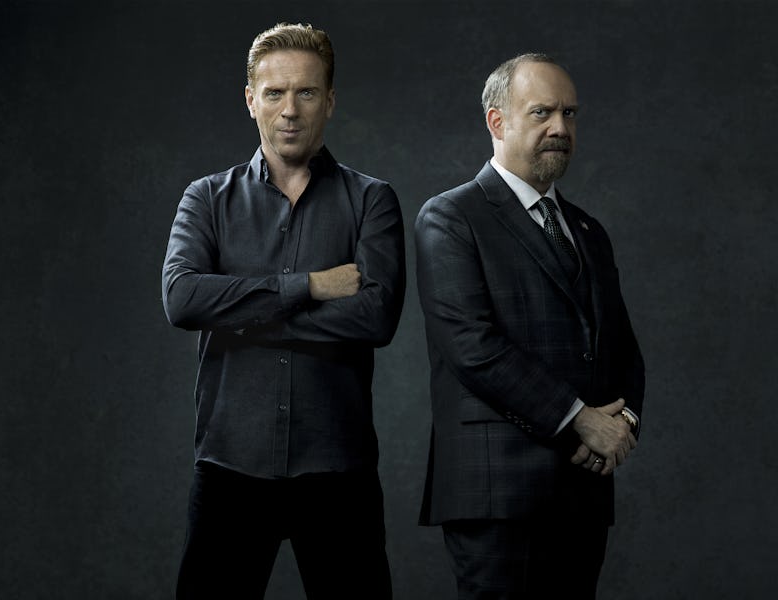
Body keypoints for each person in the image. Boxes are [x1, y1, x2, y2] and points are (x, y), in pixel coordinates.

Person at [161, 23, 404, 599]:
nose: (290, 110)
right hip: (230, 467)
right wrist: (310, 286)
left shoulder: (371, 200)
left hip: (339, 470)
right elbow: (183, 299)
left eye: (306, 92)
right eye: (274, 93)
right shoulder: (206, 199)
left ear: (330, 101)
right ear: (251, 100)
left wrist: (240, 314)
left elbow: (375, 318)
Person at [415, 53, 645, 599]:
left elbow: (623, 350)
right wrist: (580, 421)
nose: (560, 127)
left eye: (569, 113)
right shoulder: (450, 218)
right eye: (542, 112)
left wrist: (622, 424)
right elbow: (473, 348)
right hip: (497, 494)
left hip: (584, 489)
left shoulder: (588, 230)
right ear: (497, 122)